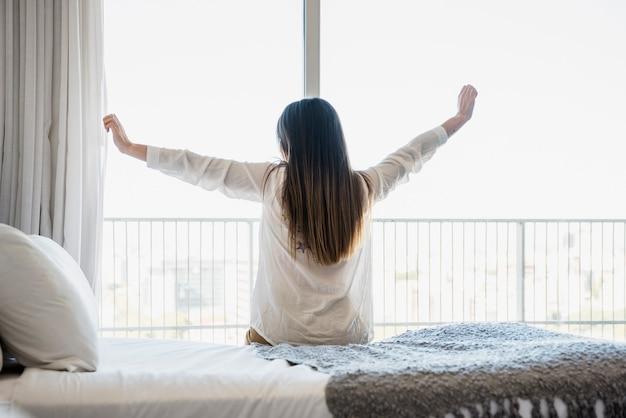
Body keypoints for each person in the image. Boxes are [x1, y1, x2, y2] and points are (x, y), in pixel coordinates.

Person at [103, 84, 478, 346]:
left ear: (287, 143)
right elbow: (413, 154)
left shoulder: (271, 181)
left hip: (276, 337)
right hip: (347, 340)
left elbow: (200, 167)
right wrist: (457, 120)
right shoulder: (364, 187)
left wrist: (131, 147)